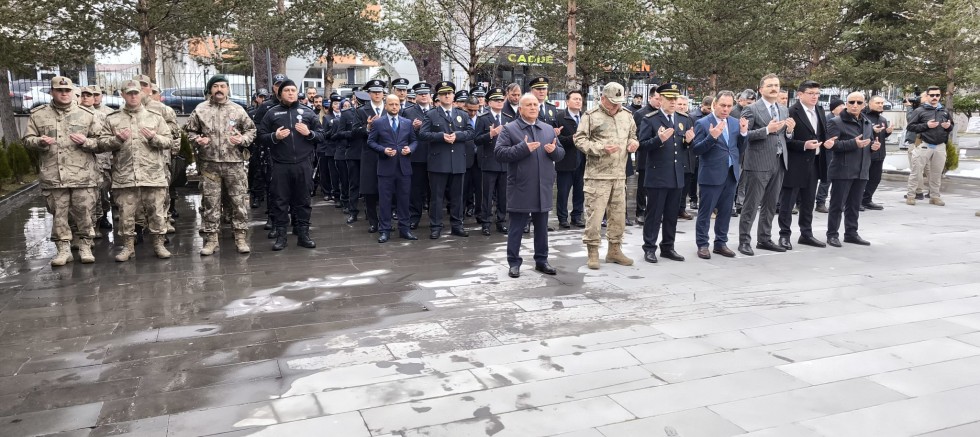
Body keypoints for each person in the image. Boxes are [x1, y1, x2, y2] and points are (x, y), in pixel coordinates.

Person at [23, 77, 104, 266]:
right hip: (53, 176)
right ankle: (63, 249)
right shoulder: (39, 115)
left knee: (84, 212)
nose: (64, 93)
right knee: (59, 214)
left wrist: (86, 142)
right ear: (52, 92)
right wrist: (39, 142)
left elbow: (102, 141)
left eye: (67, 90)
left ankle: (85, 246)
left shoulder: (87, 115)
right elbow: (27, 139)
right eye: (59, 90)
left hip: (82, 176)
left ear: (72, 92)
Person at [98, 79, 174, 261]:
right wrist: (116, 140)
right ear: (122, 95)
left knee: (156, 212)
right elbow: (100, 143)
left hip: (152, 175)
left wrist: (155, 138)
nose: (133, 96)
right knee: (126, 215)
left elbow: (169, 141)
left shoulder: (155, 117)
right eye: (129, 93)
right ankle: (128, 247)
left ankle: (158, 244)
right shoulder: (113, 118)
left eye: (136, 92)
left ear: (141, 94)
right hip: (125, 176)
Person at [183, 74, 257, 255]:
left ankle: (240, 237)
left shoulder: (238, 109)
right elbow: (189, 131)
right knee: (211, 203)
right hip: (210, 164)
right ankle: (211, 240)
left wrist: (242, 139)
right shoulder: (200, 110)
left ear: (228, 89)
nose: (219, 89)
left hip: (234, 164)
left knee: (238, 201)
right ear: (210, 89)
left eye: (223, 86)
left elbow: (251, 130)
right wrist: (198, 139)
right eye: (216, 86)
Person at [495, 93, 565, 278]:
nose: (533, 107)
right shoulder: (510, 129)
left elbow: (561, 153)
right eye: (529, 105)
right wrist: (523, 148)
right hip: (521, 185)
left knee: (542, 226)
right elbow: (500, 153)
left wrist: (554, 151)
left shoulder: (548, 128)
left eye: (535, 104)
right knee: (517, 226)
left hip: (543, 185)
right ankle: (514, 262)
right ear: (520, 109)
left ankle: (542, 260)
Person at [573, 82, 639, 270]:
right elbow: (579, 139)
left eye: (619, 102)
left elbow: (633, 134)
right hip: (597, 176)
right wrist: (600, 149)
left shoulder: (627, 115)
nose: (616, 106)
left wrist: (633, 143)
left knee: (618, 216)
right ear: (603, 98)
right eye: (612, 103)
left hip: (619, 176)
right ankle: (593, 252)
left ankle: (614, 250)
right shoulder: (591, 116)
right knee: (594, 217)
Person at [257, 79, 322, 250]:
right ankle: (281, 237)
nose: (291, 93)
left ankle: (303, 235)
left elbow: (322, 135)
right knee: (280, 201)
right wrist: (274, 137)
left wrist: (309, 134)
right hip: (280, 165)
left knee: (304, 200)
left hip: (303, 164)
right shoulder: (272, 113)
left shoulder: (307, 112)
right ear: (280, 94)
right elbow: (261, 136)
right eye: (287, 90)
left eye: (293, 90)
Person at [737, 74, 793, 256]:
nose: (774, 88)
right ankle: (744, 241)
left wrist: (790, 131)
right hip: (758, 163)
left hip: (779, 161)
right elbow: (744, 135)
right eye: (769, 85)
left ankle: (765, 238)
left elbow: (783, 136)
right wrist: (767, 130)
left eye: (776, 85)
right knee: (751, 204)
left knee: (770, 204)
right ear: (761, 89)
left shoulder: (784, 110)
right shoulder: (751, 109)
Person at [638, 83, 694, 263]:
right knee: (654, 215)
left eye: (675, 99)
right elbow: (642, 145)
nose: (672, 102)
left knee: (671, 214)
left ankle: (668, 247)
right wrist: (659, 139)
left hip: (677, 174)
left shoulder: (683, 118)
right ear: (660, 99)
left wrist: (687, 142)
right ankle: (649, 248)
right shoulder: (650, 119)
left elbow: (682, 147)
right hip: (657, 175)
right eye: (669, 98)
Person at [692, 91, 747, 259]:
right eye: (723, 105)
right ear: (714, 104)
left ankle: (720, 243)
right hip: (711, 174)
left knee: (725, 211)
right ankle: (702, 244)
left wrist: (744, 134)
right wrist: (712, 137)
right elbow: (696, 150)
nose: (726, 109)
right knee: (706, 212)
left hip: (730, 174)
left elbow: (739, 148)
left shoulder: (735, 122)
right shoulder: (702, 123)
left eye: (729, 106)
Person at [778, 80, 832, 250]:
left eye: (817, 93)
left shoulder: (820, 110)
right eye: (811, 93)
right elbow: (785, 140)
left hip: (814, 163)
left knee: (808, 201)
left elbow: (821, 134)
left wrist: (827, 143)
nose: (815, 96)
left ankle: (806, 234)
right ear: (800, 94)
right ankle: (784, 235)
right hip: (795, 163)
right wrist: (803, 145)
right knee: (788, 202)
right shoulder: (791, 112)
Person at [419, 81, 475, 239]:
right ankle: (436, 226)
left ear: (453, 95)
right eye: (443, 94)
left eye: (449, 93)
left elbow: (471, 133)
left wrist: (457, 135)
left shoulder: (462, 114)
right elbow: (423, 134)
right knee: (437, 197)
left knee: (458, 196)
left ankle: (457, 225)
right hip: (438, 162)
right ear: (438, 96)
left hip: (458, 161)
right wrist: (440, 136)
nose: (447, 96)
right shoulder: (431, 114)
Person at [825, 91, 875, 247]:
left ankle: (851, 233)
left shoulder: (867, 122)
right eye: (851, 102)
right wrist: (854, 144)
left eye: (859, 103)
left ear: (864, 105)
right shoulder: (836, 122)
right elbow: (832, 145)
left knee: (854, 205)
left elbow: (868, 143)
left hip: (862, 169)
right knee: (837, 204)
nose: (855, 105)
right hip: (842, 170)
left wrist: (873, 147)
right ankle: (832, 234)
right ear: (846, 104)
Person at [368, 94, 418, 242]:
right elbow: (370, 142)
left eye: (396, 104)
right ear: (386, 105)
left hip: (404, 168)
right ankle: (384, 230)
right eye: (391, 104)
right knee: (385, 200)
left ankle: (405, 229)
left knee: (404, 200)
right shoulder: (378, 123)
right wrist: (383, 150)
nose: (394, 107)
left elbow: (414, 141)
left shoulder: (407, 123)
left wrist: (410, 149)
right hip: (385, 168)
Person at [474, 87, 513, 235]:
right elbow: (476, 140)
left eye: (501, 100)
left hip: (505, 162)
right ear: (489, 102)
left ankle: (501, 221)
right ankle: (485, 222)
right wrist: (490, 134)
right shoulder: (483, 118)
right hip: (489, 162)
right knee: (487, 195)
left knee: (503, 195)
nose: (499, 102)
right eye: (496, 100)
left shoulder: (508, 117)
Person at [905, 86, 953, 206]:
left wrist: (948, 127)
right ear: (927, 96)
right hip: (924, 144)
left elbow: (951, 125)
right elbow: (910, 127)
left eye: (937, 95)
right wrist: (926, 125)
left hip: (940, 146)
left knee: (937, 173)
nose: (934, 97)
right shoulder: (920, 111)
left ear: (940, 96)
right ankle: (911, 195)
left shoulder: (944, 111)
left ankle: (935, 197)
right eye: (932, 95)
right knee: (916, 171)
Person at [402, 82, 433, 230]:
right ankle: (414, 217)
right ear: (415, 96)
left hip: (435, 155)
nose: (423, 96)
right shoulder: (408, 112)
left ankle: (435, 219)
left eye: (426, 93)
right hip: (417, 155)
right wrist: (413, 129)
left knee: (434, 189)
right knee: (416, 189)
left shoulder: (436, 110)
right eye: (420, 93)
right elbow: (402, 134)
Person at [555, 90, 585, 229]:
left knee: (580, 192)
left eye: (580, 99)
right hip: (566, 161)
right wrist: (571, 139)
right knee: (563, 192)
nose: (578, 101)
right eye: (575, 99)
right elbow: (556, 139)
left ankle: (577, 216)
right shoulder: (560, 117)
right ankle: (562, 218)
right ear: (567, 101)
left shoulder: (585, 117)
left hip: (582, 161)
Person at [632, 86, 661, 225]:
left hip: (660, 155)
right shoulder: (641, 113)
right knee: (643, 185)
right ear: (650, 98)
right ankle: (640, 211)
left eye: (662, 99)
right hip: (645, 155)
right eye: (657, 99)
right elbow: (637, 135)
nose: (659, 102)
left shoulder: (663, 113)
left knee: (657, 186)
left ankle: (654, 211)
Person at [815, 97, 845, 213]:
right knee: (827, 177)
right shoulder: (828, 120)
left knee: (837, 178)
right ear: (833, 109)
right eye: (840, 106)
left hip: (839, 151)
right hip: (828, 152)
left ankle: (835, 202)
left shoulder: (842, 119)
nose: (843, 108)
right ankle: (820, 202)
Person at [862, 95, 892, 210]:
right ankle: (856, 200)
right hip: (866, 153)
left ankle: (867, 200)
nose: (880, 105)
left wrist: (888, 132)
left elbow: (882, 136)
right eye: (878, 103)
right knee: (863, 179)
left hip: (880, 154)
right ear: (870, 104)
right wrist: (872, 130)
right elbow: (859, 133)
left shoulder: (882, 119)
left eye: (882, 103)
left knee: (875, 178)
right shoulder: (863, 117)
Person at [675, 95, 696, 220]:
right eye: (680, 104)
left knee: (686, 184)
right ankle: (672, 208)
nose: (682, 107)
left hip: (689, 157)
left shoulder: (689, 118)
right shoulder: (672, 118)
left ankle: (681, 209)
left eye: (684, 105)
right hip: (678, 156)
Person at [462, 95, 482, 220]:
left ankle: (479, 213)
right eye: (470, 110)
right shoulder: (460, 118)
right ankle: (460, 215)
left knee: (480, 188)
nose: (473, 113)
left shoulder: (482, 118)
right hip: (464, 158)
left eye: (476, 110)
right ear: (465, 107)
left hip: (479, 158)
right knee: (463, 189)